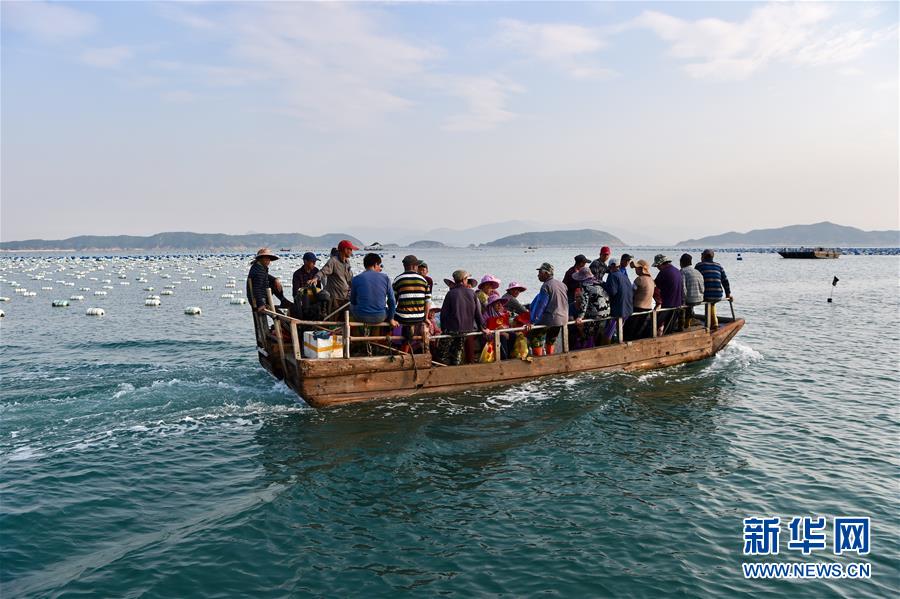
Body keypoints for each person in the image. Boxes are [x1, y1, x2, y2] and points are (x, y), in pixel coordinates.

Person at [438, 270, 486, 365]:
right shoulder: (472, 293)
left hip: (452, 329)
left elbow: (443, 314)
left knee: (441, 353)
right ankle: (456, 365)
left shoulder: (450, 293)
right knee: (457, 352)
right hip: (467, 329)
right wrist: (483, 327)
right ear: (464, 280)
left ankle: (444, 367)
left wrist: (443, 329)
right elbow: (478, 314)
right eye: (467, 279)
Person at [392, 255, 431, 353]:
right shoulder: (424, 280)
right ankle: (408, 349)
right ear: (414, 266)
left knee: (391, 320)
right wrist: (425, 317)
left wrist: (391, 317)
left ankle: (391, 344)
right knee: (410, 329)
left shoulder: (398, 279)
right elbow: (427, 301)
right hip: (419, 317)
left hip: (403, 317)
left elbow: (393, 301)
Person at [527, 262, 568, 356]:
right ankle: (550, 358)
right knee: (551, 340)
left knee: (535, 338)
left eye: (540, 272)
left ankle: (539, 360)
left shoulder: (546, 286)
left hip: (550, 319)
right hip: (562, 319)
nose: (538, 275)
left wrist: (533, 321)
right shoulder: (562, 284)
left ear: (546, 273)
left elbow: (541, 305)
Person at [349, 253, 397, 326]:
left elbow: (353, 301)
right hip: (380, 317)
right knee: (386, 309)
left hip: (360, 316)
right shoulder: (385, 278)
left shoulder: (356, 279)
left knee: (351, 306)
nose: (380, 268)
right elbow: (392, 301)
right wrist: (391, 318)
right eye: (379, 265)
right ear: (375, 265)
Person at [313, 239, 356, 317]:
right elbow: (323, 271)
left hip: (345, 298)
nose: (351, 252)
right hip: (335, 298)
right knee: (334, 318)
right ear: (345, 250)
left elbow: (350, 279)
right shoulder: (333, 261)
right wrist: (315, 278)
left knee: (345, 318)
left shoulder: (347, 262)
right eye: (350, 249)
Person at [572, 266, 611, 348]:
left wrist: (580, 317)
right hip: (606, 313)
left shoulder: (585, 286)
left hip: (595, 314)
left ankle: (589, 347)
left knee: (588, 333)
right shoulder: (599, 282)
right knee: (599, 334)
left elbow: (584, 302)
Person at [695, 249, 732, 329]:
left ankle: (709, 325)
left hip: (706, 295)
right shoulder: (719, 266)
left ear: (703, 256)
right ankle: (714, 323)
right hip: (718, 294)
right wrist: (728, 294)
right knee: (712, 303)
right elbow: (725, 281)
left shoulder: (699, 266)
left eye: (701, 255)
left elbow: (694, 279)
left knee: (707, 300)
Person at [246, 248, 291, 313]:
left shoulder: (259, 267)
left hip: (262, 296)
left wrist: (275, 279)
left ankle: (283, 300)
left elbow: (266, 275)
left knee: (274, 283)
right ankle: (282, 301)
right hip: (258, 300)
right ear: (260, 259)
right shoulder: (258, 271)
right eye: (266, 259)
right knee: (277, 314)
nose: (268, 261)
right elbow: (257, 288)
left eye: (269, 259)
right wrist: (261, 304)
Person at [600, 258, 633, 342]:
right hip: (628, 309)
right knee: (618, 332)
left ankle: (607, 347)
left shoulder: (613, 276)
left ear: (613, 266)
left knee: (608, 333)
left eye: (609, 267)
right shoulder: (624, 276)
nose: (609, 270)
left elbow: (612, 292)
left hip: (618, 310)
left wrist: (602, 284)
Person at [652, 254, 683, 334]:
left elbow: (655, 285)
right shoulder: (677, 270)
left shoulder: (664, 272)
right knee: (669, 328)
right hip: (678, 304)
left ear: (661, 264)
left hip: (668, 305)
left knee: (655, 326)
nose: (657, 268)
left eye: (657, 266)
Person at [626, 259, 655, 340]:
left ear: (642, 269)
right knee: (643, 334)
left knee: (630, 333)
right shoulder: (651, 280)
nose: (635, 269)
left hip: (637, 309)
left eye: (637, 268)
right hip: (648, 309)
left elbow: (631, 293)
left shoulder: (639, 279)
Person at [680, 253, 705, 329]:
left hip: (690, 300)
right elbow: (703, 287)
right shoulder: (697, 272)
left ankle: (682, 326)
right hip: (700, 298)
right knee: (689, 305)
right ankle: (688, 321)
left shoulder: (682, 271)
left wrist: (682, 300)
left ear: (681, 262)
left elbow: (683, 288)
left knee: (680, 305)